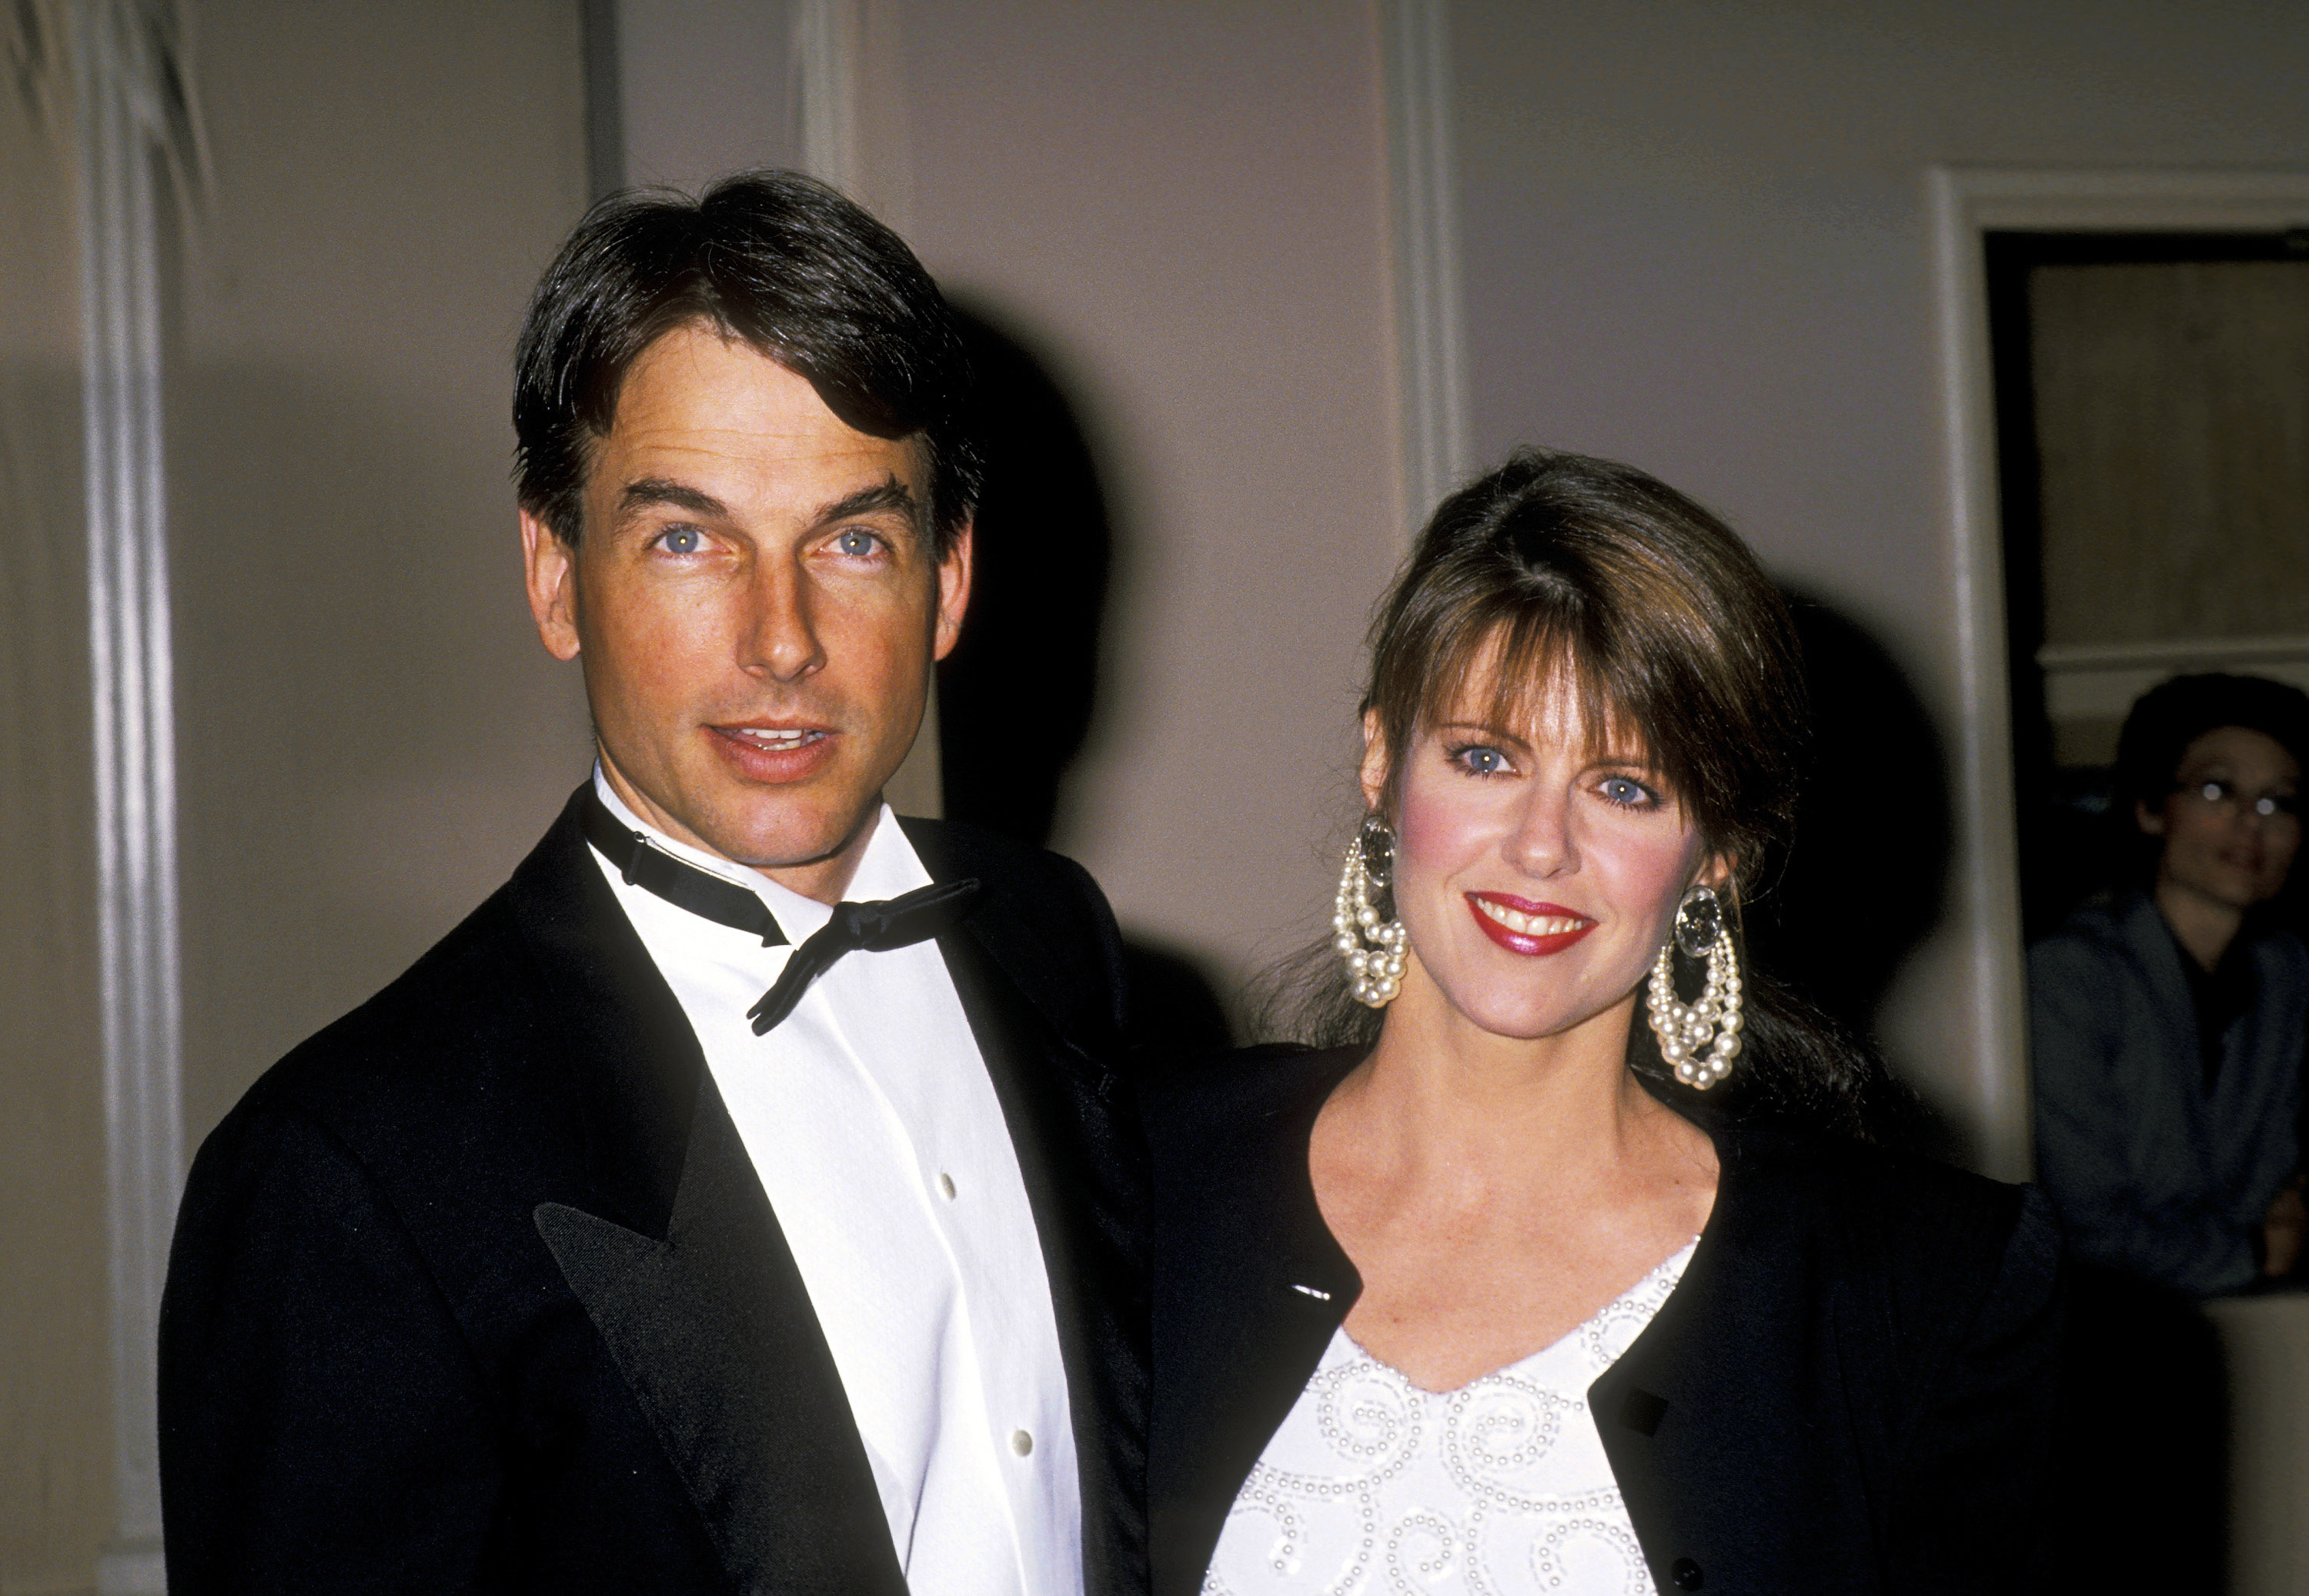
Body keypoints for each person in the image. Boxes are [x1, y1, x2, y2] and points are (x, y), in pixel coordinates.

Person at [159, 172, 1145, 1596]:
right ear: (555, 576)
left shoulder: (1059, 946)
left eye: (853, 537)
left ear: (949, 581)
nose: (782, 636)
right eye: (687, 537)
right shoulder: (347, 1173)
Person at [1143, 450, 2062, 1596]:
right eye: (1486, 757)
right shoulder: (1136, 1172)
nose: (1541, 845)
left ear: (1718, 849)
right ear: (1383, 759)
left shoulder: (1924, 1286)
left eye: (1626, 786)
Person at [2030, 671, 2309, 1297]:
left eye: (2278, 801)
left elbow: (2270, 1186)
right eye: (2218, 790)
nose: (2250, 825)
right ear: (2152, 809)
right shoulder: (2068, 979)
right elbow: (2084, 1231)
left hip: (2235, 1317)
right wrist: (2252, 1251)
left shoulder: (2285, 975)